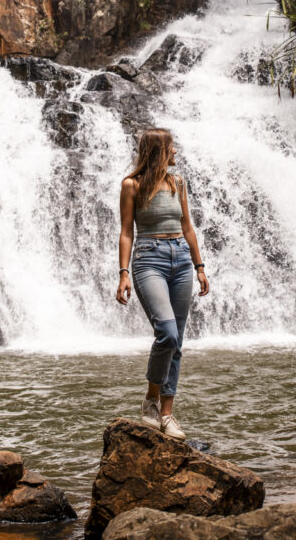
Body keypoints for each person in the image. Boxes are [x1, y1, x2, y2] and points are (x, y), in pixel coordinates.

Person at [116, 127, 209, 439]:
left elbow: (187, 226)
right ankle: (151, 399)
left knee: (177, 341)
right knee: (167, 333)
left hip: (181, 259)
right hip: (148, 259)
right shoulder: (131, 185)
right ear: (158, 151)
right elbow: (127, 231)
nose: (176, 153)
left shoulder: (177, 182)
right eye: (171, 148)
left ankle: (167, 415)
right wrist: (124, 273)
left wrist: (199, 266)